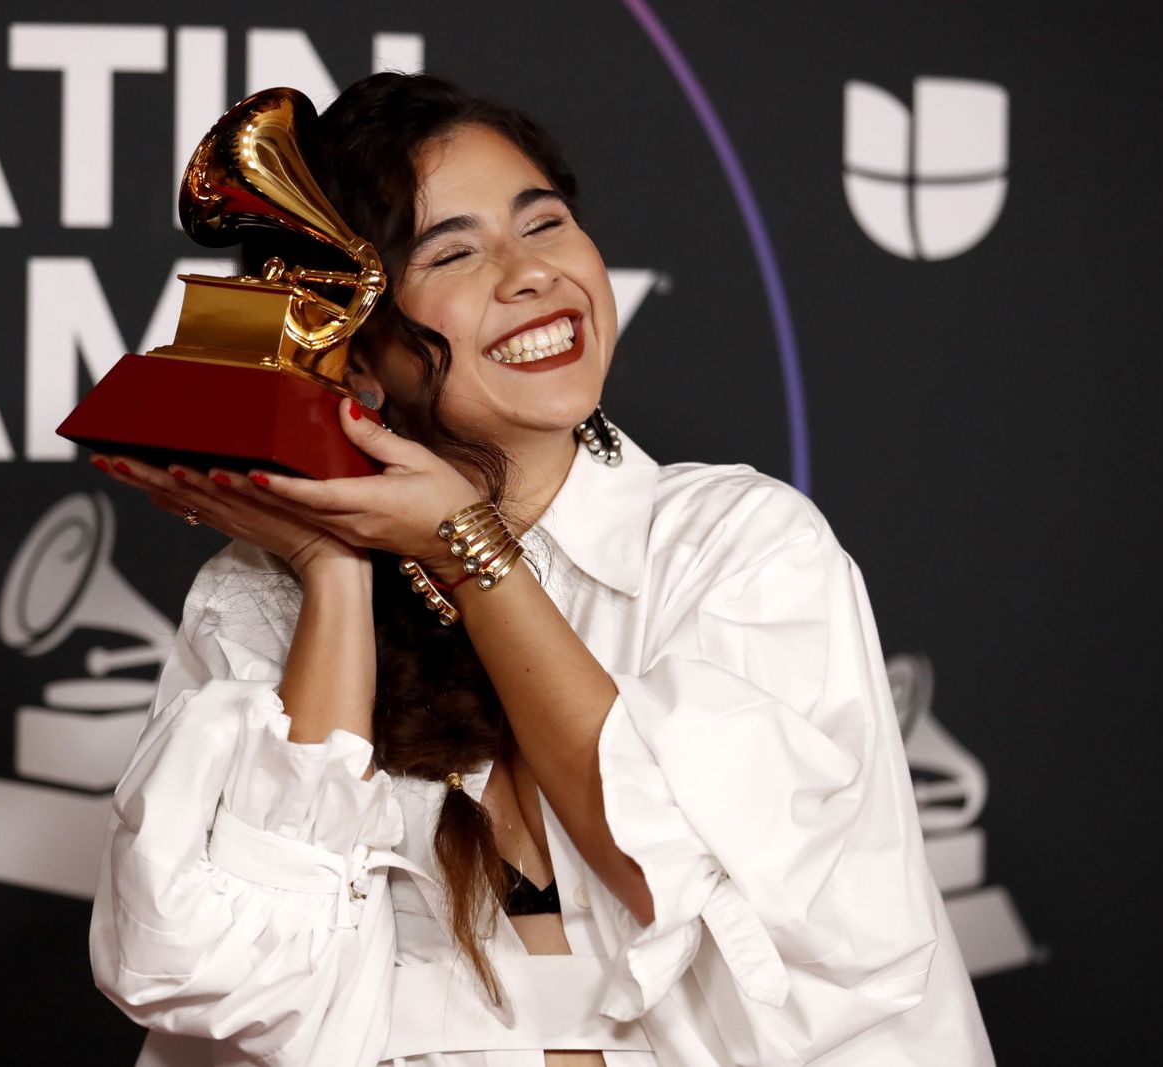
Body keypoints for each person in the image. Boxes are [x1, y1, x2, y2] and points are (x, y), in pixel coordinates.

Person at [87, 72, 994, 1067]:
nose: (529, 275)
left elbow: (679, 873)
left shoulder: (737, 545)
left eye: (546, 223)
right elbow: (228, 988)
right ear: (355, 350)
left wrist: (463, 545)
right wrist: (334, 568)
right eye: (454, 251)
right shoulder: (258, 597)